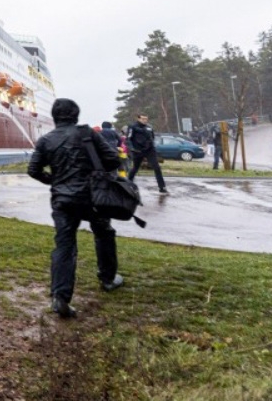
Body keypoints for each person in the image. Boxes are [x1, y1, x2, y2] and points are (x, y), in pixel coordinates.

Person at [28, 98, 125, 318]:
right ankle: (108, 278)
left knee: (64, 245)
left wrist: (55, 181)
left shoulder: (45, 140)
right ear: (76, 115)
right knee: (104, 233)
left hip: (63, 201)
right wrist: (96, 170)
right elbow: (113, 159)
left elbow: (33, 170)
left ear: (54, 117)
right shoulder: (87, 134)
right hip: (93, 198)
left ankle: (60, 297)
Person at [126, 114, 168, 194]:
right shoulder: (132, 126)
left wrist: (151, 145)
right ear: (138, 118)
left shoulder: (149, 127)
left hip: (150, 150)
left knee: (157, 167)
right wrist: (132, 148)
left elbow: (152, 137)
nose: (145, 120)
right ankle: (128, 184)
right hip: (137, 150)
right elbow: (128, 139)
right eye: (143, 119)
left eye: (146, 119)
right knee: (135, 168)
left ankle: (162, 187)